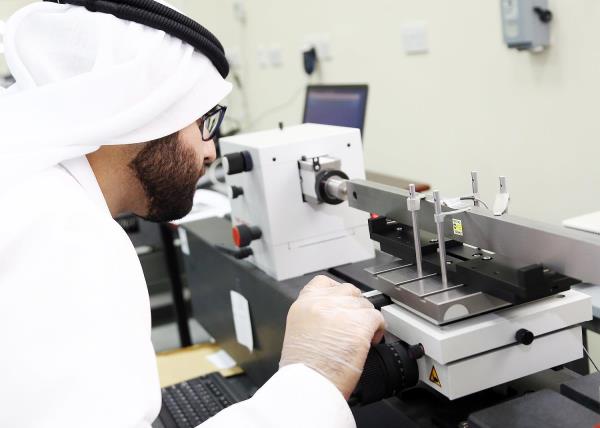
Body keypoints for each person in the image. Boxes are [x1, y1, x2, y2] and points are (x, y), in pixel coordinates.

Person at [0, 1, 384, 427]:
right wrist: (314, 377)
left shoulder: (32, 194)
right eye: (204, 123)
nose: (211, 151)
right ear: (146, 113)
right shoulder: (64, 234)